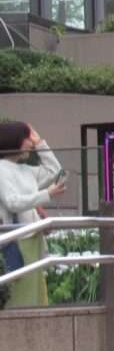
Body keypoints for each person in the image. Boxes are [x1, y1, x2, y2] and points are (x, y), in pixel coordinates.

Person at [0, 121, 64, 307]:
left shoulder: (26, 169)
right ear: (15, 140)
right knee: (21, 292)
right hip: (16, 239)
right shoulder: (1, 169)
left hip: (32, 235)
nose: (31, 143)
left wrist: (41, 143)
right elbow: (13, 202)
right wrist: (47, 195)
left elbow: (54, 170)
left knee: (35, 290)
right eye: (27, 138)